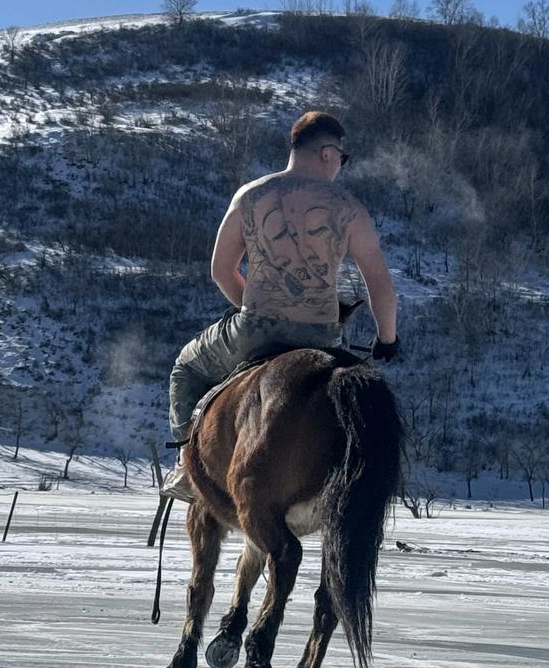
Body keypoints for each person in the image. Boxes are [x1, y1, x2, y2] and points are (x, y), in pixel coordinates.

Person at [162, 111, 399, 501]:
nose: (341, 165)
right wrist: (387, 339)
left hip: (255, 330)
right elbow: (380, 285)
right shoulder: (350, 209)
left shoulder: (251, 195)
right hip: (321, 334)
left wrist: (255, 311)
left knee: (186, 367)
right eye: (342, 157)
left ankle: (188, 468)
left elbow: (221, 270)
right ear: (326, 153)